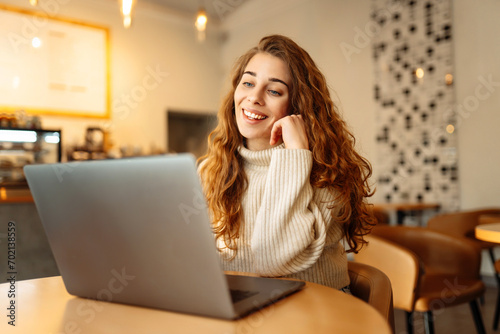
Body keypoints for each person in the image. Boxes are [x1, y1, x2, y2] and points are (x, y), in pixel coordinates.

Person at [198, 34, 375, 291]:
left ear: (298, 106)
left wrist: (295, 155)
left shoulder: (326, 175)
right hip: (238, 310)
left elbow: (273, 261)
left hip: (317, 310)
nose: (254, 97)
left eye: (274, 90)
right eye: (248, 83)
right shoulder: (211, 170)